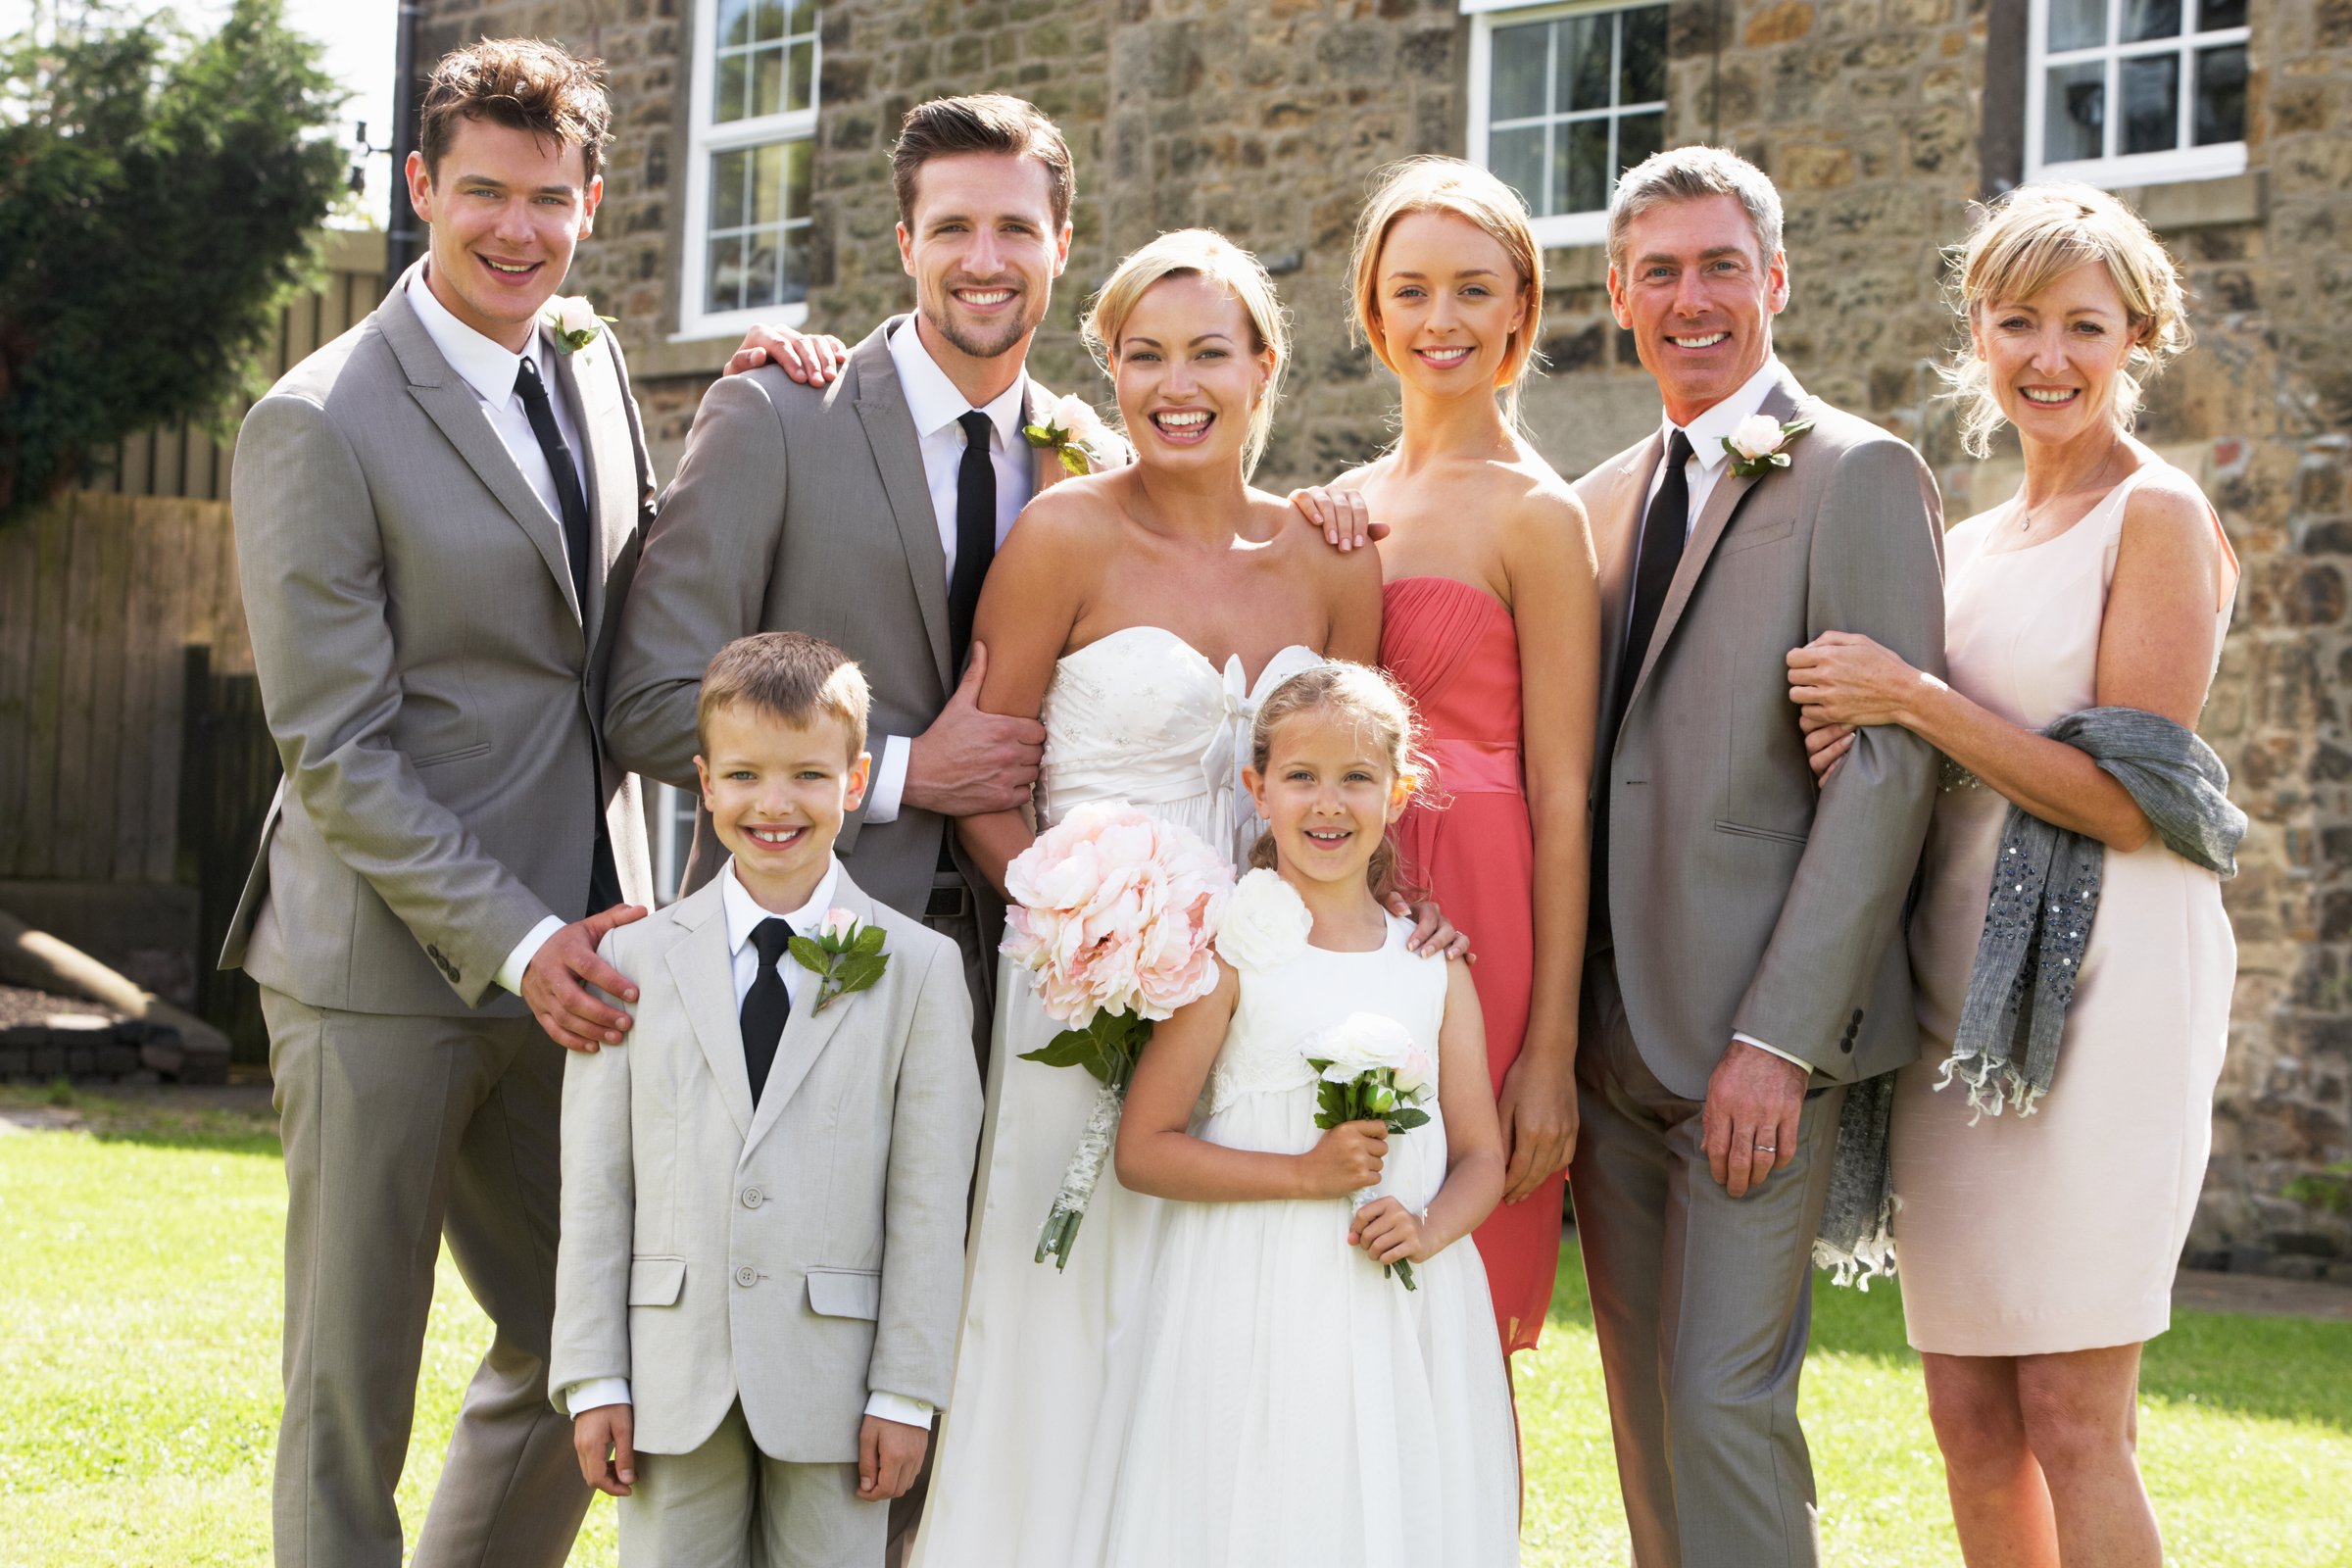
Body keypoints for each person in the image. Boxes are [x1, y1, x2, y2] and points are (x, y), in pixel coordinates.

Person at [219, 39, 659, 1568]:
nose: (516, 230)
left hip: (578, 963)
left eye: (549, 198)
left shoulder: (593, 367)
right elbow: (334, 746)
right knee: (351, 1388)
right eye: (483, 192)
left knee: (589, 1343)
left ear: (591, 202)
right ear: (420, 188)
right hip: (377, 975)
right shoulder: (318, 419)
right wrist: (520, 938)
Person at [907, 228, 1390, 1568]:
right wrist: (1081, 924)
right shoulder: (1061, 535)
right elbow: (985, 778)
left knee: (1224, 1311)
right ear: (1108, 371)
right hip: (1083, 981)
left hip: (1267, 987)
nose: (1177, 383)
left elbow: (1354, 781)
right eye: (1143, 355)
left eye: (1209, 353)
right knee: (1060, 1290)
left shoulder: (1333, 553)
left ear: (1264, 366)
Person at [1789, 183, 2240, 1568]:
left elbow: (2126, 800)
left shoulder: (2155, 517)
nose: (2050, 356)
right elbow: (1923, 771)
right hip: (1956, 1006)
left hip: (2106, 996)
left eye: (2085, 327)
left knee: (2071, 1411)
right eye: (2019, 321)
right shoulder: (1966, 547)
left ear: (2136, 341)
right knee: (1969, 1421)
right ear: (1976, 333)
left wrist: (1914, 702)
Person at [1569, 145, 1946, 1566]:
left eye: (1722, 263)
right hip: (1606, 1033)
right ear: (1618, 293)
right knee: (1641, 1407)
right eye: (1659, 270)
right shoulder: (1599, 496)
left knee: (1724, 1402)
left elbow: (1889, 773)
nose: (1692, 297)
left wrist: (1778, 1043)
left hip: (1754, 1044)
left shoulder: (1858, 471)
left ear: (1775, 279)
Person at [604, 94, 1083, 1061]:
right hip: (799, 959)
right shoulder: (773, 418)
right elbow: (650, 704)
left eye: (1016, 229)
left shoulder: (1091, 461)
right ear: (907, 243)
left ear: (1062, 245)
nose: (985, 260)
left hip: (1040, 986)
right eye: (953, 227)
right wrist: (902, 773)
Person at [552, 632, 981, 1568]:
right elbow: (596, 1187)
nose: (774, 805)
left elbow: (929, 1198)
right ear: (703, 784)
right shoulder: (632, 963)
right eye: (743, 775)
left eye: (808, 777)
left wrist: (906, 1392)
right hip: (673, 1375)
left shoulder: (918, 968)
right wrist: (592, 1377)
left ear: (855, 782)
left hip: (837, 1384)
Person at [1106, 662, 1520, 1567]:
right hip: (1253, 1289)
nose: (1327, 804)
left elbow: (1483, 1152)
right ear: (1256, 789)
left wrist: (1430, 1225)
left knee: (1391, 1510)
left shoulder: (1433, 965)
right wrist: (1301, 1174)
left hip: (1397, 1292)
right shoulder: (1231, 952)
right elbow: (1144, 1149)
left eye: (1357, 778)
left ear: (1400, 792)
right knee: (1259, 1503)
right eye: (1301, 777)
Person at [1291, 156, 1599, 1360]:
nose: (1442, 320)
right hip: (1345, 889)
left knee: (1459, 1289)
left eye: (1474, 290)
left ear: (1521, 307)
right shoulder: (1342, 505)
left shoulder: (1538, 511)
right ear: (1372, 312)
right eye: (1411, 291)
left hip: (1485, 895)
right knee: (1337, 1257)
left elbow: (1566, 792)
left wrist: (1553, 1053)